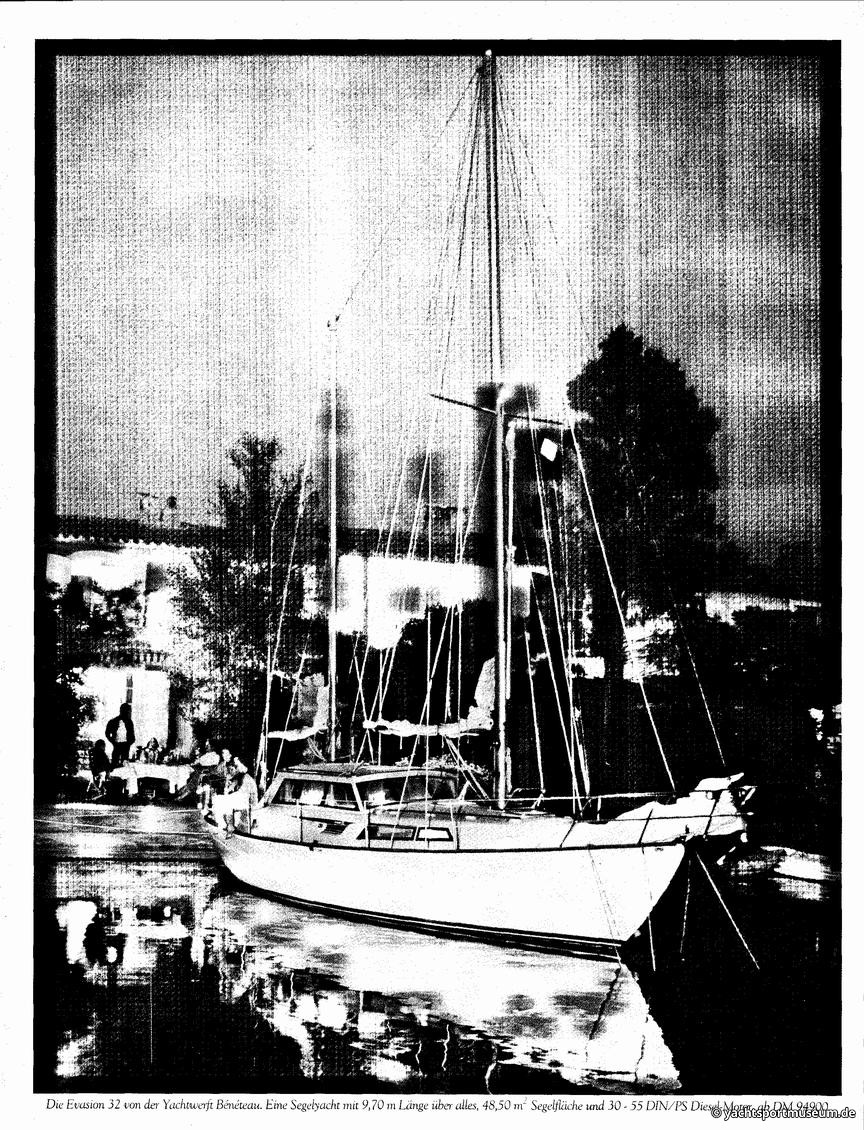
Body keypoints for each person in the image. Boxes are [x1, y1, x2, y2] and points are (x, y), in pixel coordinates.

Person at [105, 703, 136, 768]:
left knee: (125, 764)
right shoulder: (114, 721)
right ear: (122, 710)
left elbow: (132, 735)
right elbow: (107, 733)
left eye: (129, 711)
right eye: (128, 711)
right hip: (117, 745)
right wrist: (113, 742)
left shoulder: (129, 722)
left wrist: (128, 743)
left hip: (126, 746)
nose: (128, 712)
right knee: (114, 763)